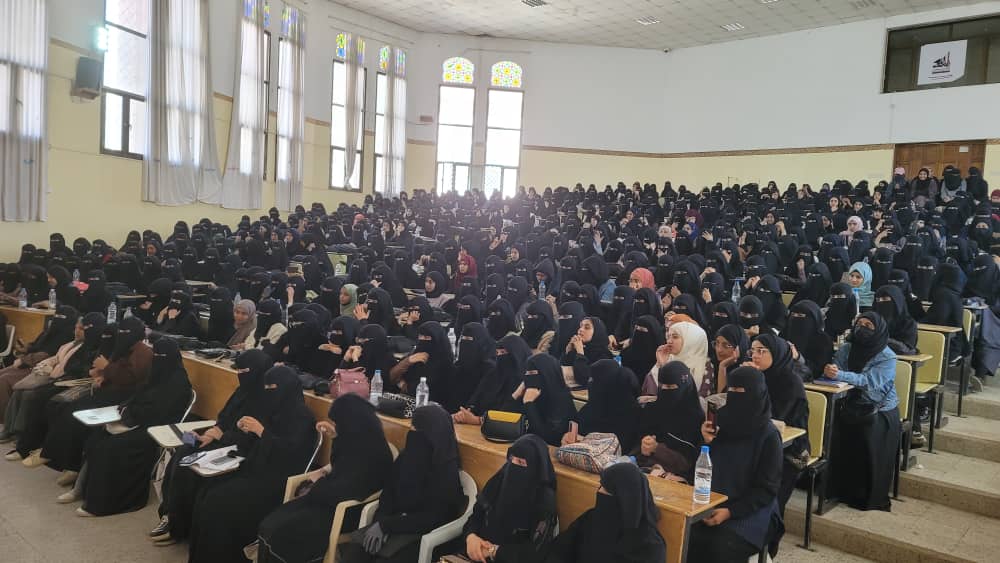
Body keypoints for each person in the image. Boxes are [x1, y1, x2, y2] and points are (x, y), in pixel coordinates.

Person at [187, 366, 317, 563]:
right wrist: (245, 430)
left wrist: (262, 432)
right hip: (254, 468)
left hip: (277, 479)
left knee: (218, 502)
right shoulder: (272, 409)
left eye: (273, 388)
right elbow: (252, 444)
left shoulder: (303, 418)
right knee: (207, 490)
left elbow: (291, 455)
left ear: (287, 388)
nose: (269, 392)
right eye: (267, 388)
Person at [152, 350, 274, 544]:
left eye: (245, 371)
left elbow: (254, 438)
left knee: (188, 464)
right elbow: (224, 417)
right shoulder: (242, 390)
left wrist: (222, 435)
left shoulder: (268, 399)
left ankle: (177, 524)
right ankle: (170, 514)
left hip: (238, 450)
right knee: (184, 447)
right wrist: (211, 432)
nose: (240, 375)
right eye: (238, 370)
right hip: (219, 439)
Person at [257, 394, 393, 563]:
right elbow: (339, 466)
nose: (335, 426)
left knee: (285, 533)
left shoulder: (373, 452)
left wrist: (315, 486)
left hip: (346, 511)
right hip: (329, 499)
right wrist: (336, 437)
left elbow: (348, 488)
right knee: (271, 523)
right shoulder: (359, 438)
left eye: (337, 423)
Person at [77, 338, 192, 516]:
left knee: (110, 448)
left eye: (161, 355)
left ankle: (108, 503)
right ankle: (84, 491)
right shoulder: (156, 374)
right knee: (97, 438)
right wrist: (126, 408)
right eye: (156, 354)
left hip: (158, 427)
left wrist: (133, 413)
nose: (158, 358)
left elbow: (161, 412)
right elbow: (140, 394)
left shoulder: (178, 382)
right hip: (140, 420)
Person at [339, 405, 465, 563]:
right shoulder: (406, 458)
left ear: (432, 435)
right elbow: (388, 495)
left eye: (416, 429)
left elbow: (433, 518)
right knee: (355, 553)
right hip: (392, 523)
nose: (411, 433)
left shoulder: (445, 472)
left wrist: (387, 526)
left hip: (421, 535)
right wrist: (380, 521)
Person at [689, 366, 783, 563]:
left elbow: (767, 489)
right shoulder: (719, 423)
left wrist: (730, 512)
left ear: (757, 394)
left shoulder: (769, 436)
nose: (735, 397)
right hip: (712, 501)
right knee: (685, 538)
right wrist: (705, 442)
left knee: (719, 548)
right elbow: (700, 468)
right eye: (731, 391)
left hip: (752, 510)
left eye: (741, 392)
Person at [436, 434, 558, 563]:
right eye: (511, 458)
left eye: (521, 462)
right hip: (476, 553)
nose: (513, 465)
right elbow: (476, 516)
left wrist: (493, 551)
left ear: (535, 467)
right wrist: (471, 537)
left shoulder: (544, 500)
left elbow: (535, 552)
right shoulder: (499, 481)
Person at [823, 312, 900, 511]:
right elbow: (837, 367)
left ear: (878, 330)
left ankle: (866, 496)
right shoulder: (847, 348)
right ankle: (837, 489)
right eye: (859, 324)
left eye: (868, 326)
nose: (862, 328)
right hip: (849, 404)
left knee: (866, 440)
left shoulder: (887, 356)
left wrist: (840, 374)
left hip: (877, 410)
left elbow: (869, 382)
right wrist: (831, 371)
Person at [547, 462, 666, 563]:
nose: (599, 491)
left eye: (605, 488)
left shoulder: (650, 545)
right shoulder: (591, 518)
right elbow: (559, 550)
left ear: (623, 499)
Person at [749, 334, 810, 517]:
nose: (755, 356)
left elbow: (773, 418)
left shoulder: (791, 382)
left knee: (764, 488)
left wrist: (755, 383)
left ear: (777, 353)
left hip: (791, 449)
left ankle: (769, 524)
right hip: (759, 441)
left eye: (761, 351)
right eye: (753, 351)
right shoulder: (757, 375)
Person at [635, 360, 704, 481]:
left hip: (676, 478)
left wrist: (657, 449)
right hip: (647, 470)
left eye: (670, 387)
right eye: (661, 386)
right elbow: (639, 447)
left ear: (685, 387)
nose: (664, 390)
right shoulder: (653, 409)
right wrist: (645, 446)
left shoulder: (694, 417)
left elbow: (690, 461)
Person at [566, 359, 640, 452]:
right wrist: (567, 438)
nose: (590, 383)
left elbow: (619, 447)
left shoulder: (630, 414)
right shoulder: (591, 407)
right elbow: (575, 430)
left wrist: (584, 441)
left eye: (593, 379)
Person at [457, 334, 529, 425]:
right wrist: (466, 412)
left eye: (503, 352)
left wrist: (478, 420)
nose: (500, 356)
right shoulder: (493, 375)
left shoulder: (526, 382)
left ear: (517, 355)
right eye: (497, 353)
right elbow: (475, 399)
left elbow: (512, 417)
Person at [643, 321, 713, 401]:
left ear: (691, 339)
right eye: (668, 337)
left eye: (675, 337)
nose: (669, 341)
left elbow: (700, 400)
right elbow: (649, 390)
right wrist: (661, 364)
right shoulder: (669, 358)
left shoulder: (704, 365)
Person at [518, 353, 574, 447]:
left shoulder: (561, 399)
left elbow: (546, 437)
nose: (528, 377)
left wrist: (528, 404)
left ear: (547, 373)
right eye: (527, 373)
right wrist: (516, 395)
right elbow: (507, 424)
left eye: (532, 373)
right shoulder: (532, 394)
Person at [781, 300, 834, 379]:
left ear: (814, 319)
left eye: (800, 315)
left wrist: (798, 357)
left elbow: (819, 370)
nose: (795, 318)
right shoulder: (784, 334)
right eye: (793, 314)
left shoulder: (823, 340)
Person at [561, 317, 612, 388]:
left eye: (587, 327)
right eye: (580, 326)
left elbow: (584, 379)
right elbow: (563, 369)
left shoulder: (605, 356)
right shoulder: (582, 349)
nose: (580, 329)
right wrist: (568, 351)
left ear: (597, 332)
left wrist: (580, 353)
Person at [874, 286, 918, 355]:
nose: (881, 302)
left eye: (885, 299)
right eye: (878, 300)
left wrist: (878, 339)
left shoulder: (909, 324)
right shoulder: (873, 320)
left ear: (897, 301)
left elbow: (906, 348)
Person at [711, 323, 749, 394]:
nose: (719, 350)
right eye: (717, 343)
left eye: (727, 345)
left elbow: (721, 398)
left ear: (739, 348)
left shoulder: (745, 373)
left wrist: (723, 367)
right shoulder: (711, 364)